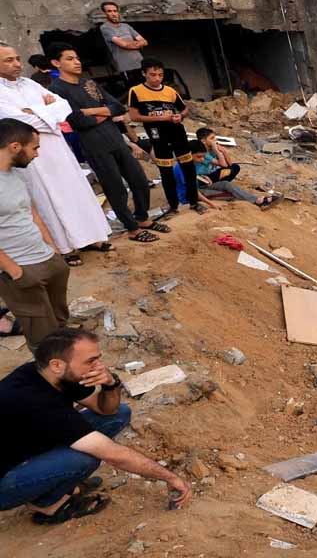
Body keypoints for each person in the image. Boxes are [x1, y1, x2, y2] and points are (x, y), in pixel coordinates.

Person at [0, 328, 192, 524]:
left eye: (98, 358)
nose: (99, 366)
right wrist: (170, 478)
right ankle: (46, 504)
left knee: (119, 414)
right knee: (84, 458)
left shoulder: (49, 374)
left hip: (22, 449)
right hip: (4, 483)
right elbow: (113, 454)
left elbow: (106, 410)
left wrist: (110, 383)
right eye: (90, 361)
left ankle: (56, 479)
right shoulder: (35, 402)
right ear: (56, 365)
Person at [0, 45, 112, 268]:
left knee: (74, 190)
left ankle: (90, 237)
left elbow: (64, 107)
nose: (17, 64)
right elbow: (18, 124)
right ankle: (65, 248)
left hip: (58, 148)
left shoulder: (30, 84)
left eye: (17, 58)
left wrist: (36, 112)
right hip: (31, 155)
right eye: (8, 60)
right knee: (48, 199)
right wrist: (46, 112)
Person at [47, 45, 164, 244]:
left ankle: (142, 218)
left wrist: (91, 111)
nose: (77, 62)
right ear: (56, 63)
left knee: (139, 180)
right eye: (69, 59)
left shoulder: (89, 83)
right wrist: (103, 113)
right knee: (115, 187)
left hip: (115, 138)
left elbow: (117, 107)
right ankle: (132, 228)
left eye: (77, 58)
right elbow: (77, 120)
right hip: (94, 144)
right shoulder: (57, 90)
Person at [0, 119, 70, 350]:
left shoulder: (16, 174)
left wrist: (53, 249)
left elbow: (32, 213)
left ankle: (66, 357)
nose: (37, 154)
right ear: (15, 147)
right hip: (20, 267)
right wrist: (14, 271)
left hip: (46, 257)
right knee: (43, 337)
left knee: (59, 321)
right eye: (34, 148)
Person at [127, 59, 203, 216]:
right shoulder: (136, 91)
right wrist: (160, 118)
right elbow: (134, 116)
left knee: (188, 168)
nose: (157, 78)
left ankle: (194, 202)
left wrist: (180, 116)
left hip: (177, 132)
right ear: (144, 73)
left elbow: (184, 109)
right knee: (166, 172)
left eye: (160, 75)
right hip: (157, 135)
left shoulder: (170, 91)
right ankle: (173, 207)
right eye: (152, 75)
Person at [190, 139, 279, 208]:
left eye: (203, 157)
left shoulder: (199, 160)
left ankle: (257, 200)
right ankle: (257, 201)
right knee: (229, 194)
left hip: (202, 184)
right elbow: (193, 191)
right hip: (196, 192)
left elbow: (227, 165)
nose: (202, 159)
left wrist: (203, 177)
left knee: (226, 184)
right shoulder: (184, 167)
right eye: (199, 157)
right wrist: (211, 204)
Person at [98, 2, 148, 96]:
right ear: (104, 14)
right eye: (109, 11)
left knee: (148, 90)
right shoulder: (105, 28)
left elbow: (144, 41)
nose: (113, 14)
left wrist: (130, 44)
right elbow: (123, 45)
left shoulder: (126, 26)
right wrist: (137, 44)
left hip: (140, 63)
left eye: (115, 11)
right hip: (126, 67)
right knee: (136, 94)